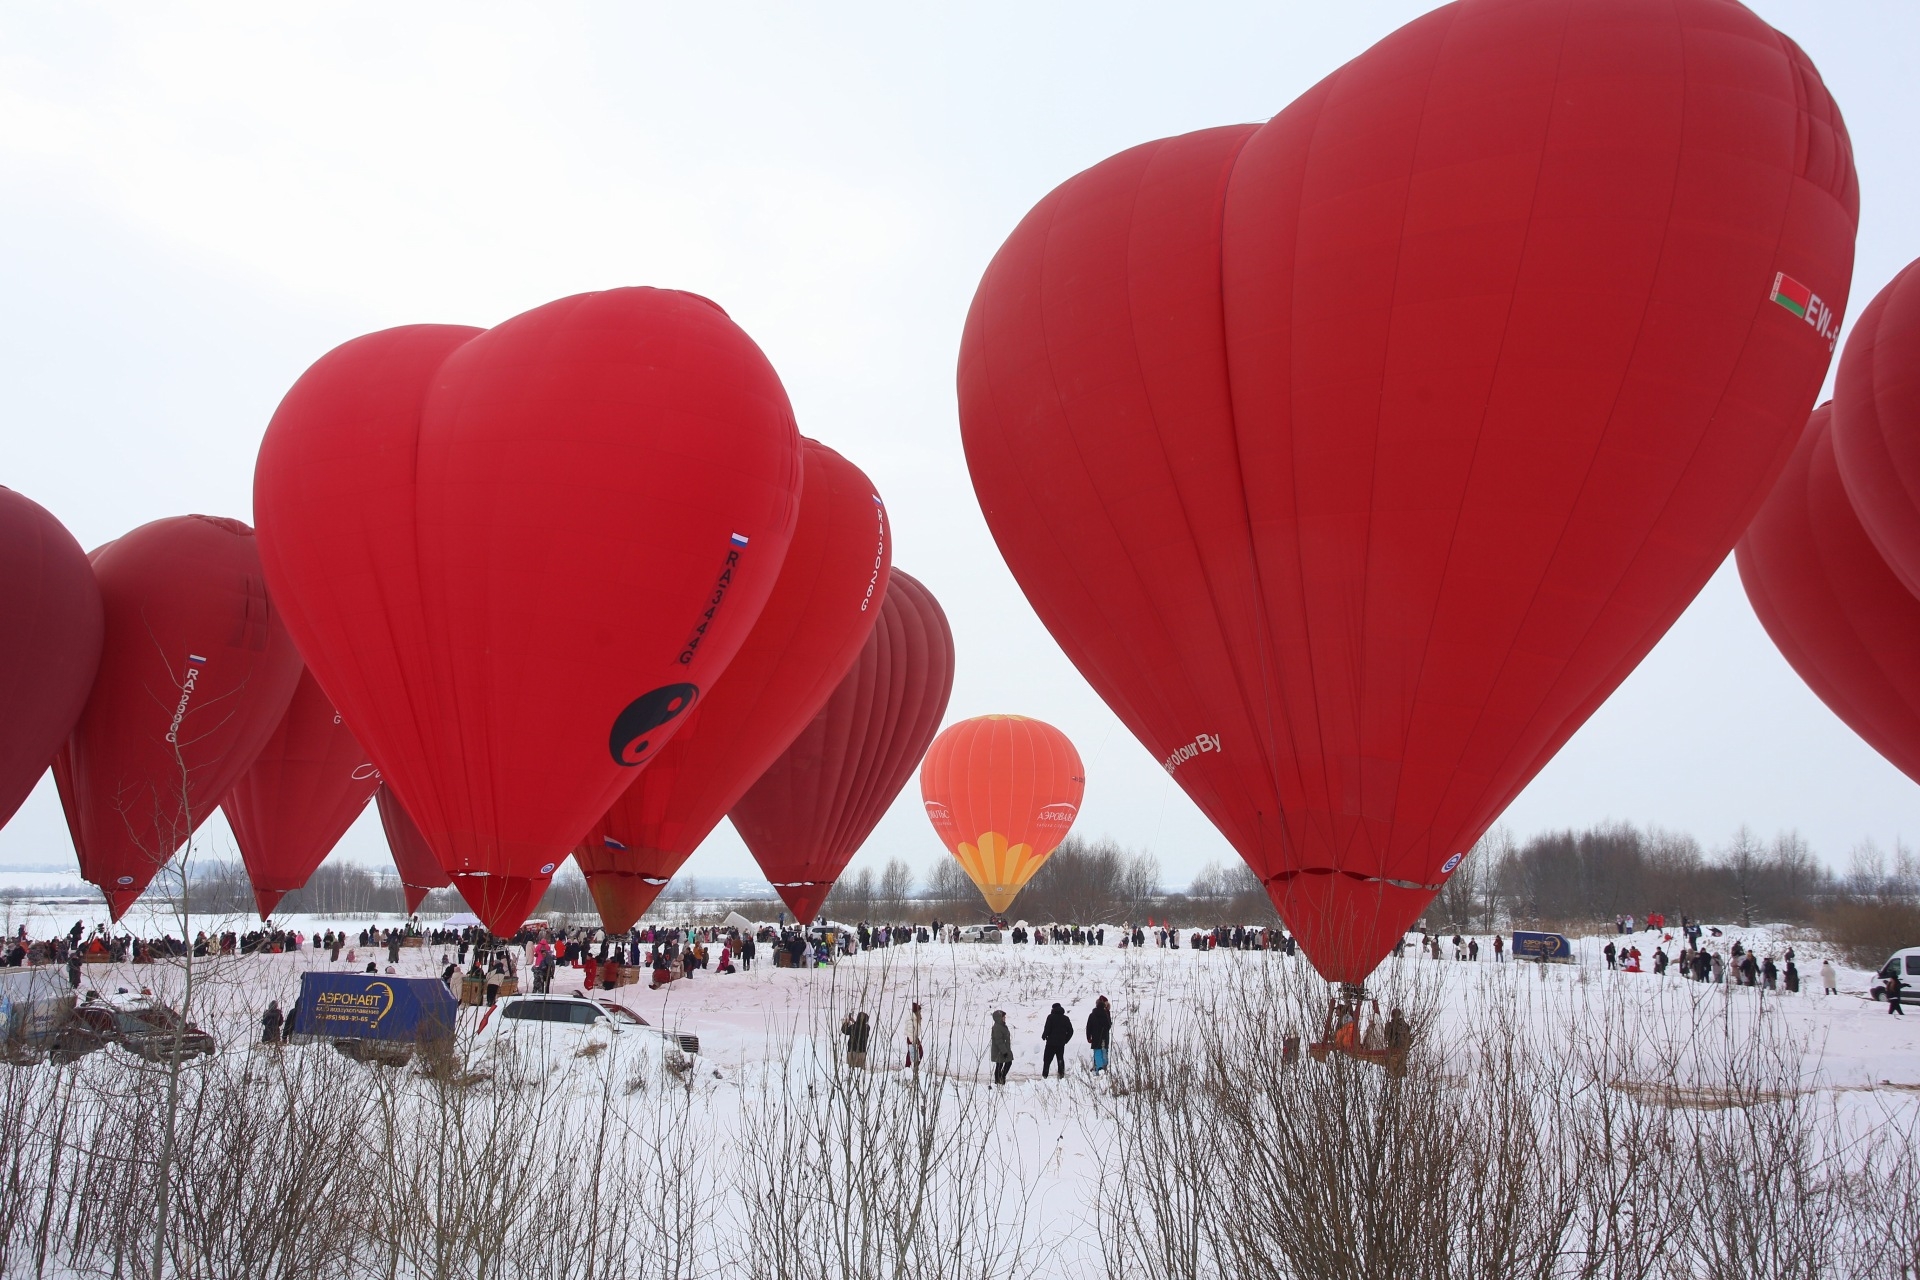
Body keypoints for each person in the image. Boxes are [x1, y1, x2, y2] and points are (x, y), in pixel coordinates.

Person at [1041, 1003, 1074, 1078]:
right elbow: (1071, 1031)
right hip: (1061, 1043)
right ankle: (1061, 1074)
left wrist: (1044, 1036)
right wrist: (1065, 1040)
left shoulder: (1050, 1017)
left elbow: (1047, 1028)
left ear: (1053, 1009)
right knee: (1060, 1059)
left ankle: (1045, 1075)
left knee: (1047, 1060)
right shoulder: (1065, 1018)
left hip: (1050, 1043)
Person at [1086, 995, 1112, 1073]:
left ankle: (1099, 1067)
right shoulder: (1106, 1014)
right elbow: (1108, 1026)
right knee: (1104, 1050)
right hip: (1104, 1037)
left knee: (1097, 1051)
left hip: (1096, 1037)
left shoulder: (1092, 1015)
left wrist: (1088, 1036)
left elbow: (1088, 1027)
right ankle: (1104, 1067)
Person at [990, 1011, 1013, 1085]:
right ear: (999, 1018)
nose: (1005, 1018)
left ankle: (1001, 1078)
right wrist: (1004, 1051)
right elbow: (999, 1041)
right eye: (1003, 1017)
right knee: (1000, 1065)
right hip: (999, 1050)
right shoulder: (997, 1027)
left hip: (1004, 1049)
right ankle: (999, 1080)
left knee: (1005, 1063)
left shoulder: (1002, 1025)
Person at [906, 1001, 924, 1071]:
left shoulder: (915, 1019)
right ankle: (910, 1067)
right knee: (918, 1052)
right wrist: (913, 1041)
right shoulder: (911, 1020)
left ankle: (909, 1067)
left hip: (914, 1038)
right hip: (911, 1038)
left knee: (912, 1053)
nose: (920, 1013)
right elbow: (910, 1032)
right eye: (919, 1012)